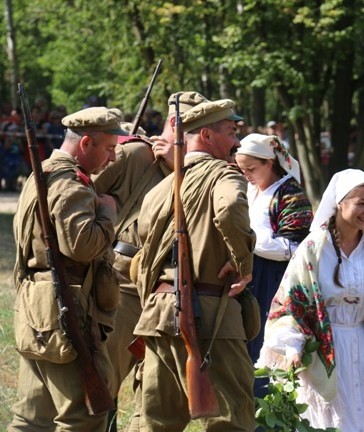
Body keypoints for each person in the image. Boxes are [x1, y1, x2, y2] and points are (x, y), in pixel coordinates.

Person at [131, 99, 256, 431]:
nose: (237, 142)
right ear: (207, 135)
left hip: (158, 314)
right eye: (231, 132)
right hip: (211, 313)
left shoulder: (160, 189)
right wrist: (243, 263)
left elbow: (143, 249)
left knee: (157, 421)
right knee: (230, 419)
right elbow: (229, 208)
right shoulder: (224, 175)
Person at [257, 169, 364, 431]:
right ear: (340, 203)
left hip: (362, 350)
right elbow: (290, 305)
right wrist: (293, 347)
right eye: (361, 203)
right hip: (321, 355)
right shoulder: (313, 250)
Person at [93, 91, 209, 432]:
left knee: (154, 392)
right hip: (124, 286)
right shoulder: (134, 155)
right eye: (195, 129)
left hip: (166, 290)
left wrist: (179, 170)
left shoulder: (197, 170)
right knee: (104, 383)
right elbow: (85, 190)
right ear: (175, 124)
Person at [10, 107, 128, 431]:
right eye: (109, 148)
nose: (113, 157)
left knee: (32, 417)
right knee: (83, 416)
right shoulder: (69, 183)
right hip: (68, 309)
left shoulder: (41, 174)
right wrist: (107, 214)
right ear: (86, 142)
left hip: (38, 306)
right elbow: (84, 245)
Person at [234, 133, 314, 391]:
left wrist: (247, 240)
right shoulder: (251, 188)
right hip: (249, 274)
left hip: (274, 279)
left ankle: (266, 402)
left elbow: (295, 247)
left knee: (267, 338)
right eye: (241, 169)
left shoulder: (290, 194)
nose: (246, 174)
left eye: (251, 168)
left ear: (269, 163)